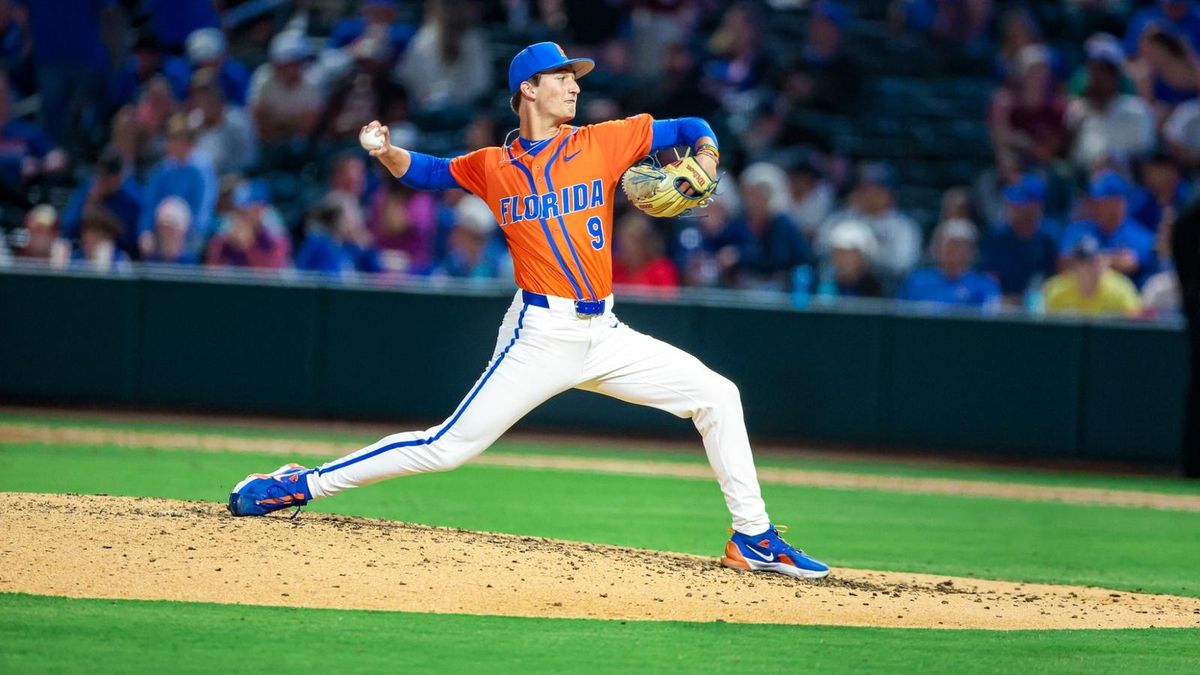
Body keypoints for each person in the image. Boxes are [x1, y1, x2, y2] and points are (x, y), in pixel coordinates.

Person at [228, 41, 830, 580]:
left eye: (575, 77)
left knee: (718, 395)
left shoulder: (602, 141)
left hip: (605, 332)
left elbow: (694, 125)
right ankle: (299, 484)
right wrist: (386, 151)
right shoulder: (494, 166)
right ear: (528, 89)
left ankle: (753, 536)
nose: (574, 86)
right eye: (561, 77)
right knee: (447, 448)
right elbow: (431, 172)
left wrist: (708, 154)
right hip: (539, 335)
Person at [1059, 171, 1157, 287]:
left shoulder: (1140, 235)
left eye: (1101, 203)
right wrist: (1111, 260)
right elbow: (1064, 264)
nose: (1094, 207)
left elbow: (1129, 264)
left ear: (1119, 204)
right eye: (1093, 202)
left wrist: (1087, 260)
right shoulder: (1078, 229)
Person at [979, 174, 1058, 304]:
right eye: (1011, 203)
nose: (1013, 208)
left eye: (1020, 204)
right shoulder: (997, 236)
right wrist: (999, 299)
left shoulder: (1049, 237)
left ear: (1036, 206)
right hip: (1003, 304)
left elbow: (1055, 280)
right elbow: (990, 277)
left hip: (1040, 305)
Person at [900, 218, 1000, 308]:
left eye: (959, 246)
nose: (954, 252)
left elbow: (991, 313)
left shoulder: (984, 284)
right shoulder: (916, 281)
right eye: (948, 246)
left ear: (972, 252)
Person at [1044, 236, 1141, 317]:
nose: (1088, 267)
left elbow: (1134, 322)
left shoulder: (1121, 289)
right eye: (1082, 262)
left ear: (1104, 261)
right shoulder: (1057, 289)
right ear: (1074, 265)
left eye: (1094, 261)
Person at [142, 196, 199, 265]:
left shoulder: (192, 263)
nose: (165, 234)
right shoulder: (148, 260)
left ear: (183, 231)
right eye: (162, 228)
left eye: (170, 229)